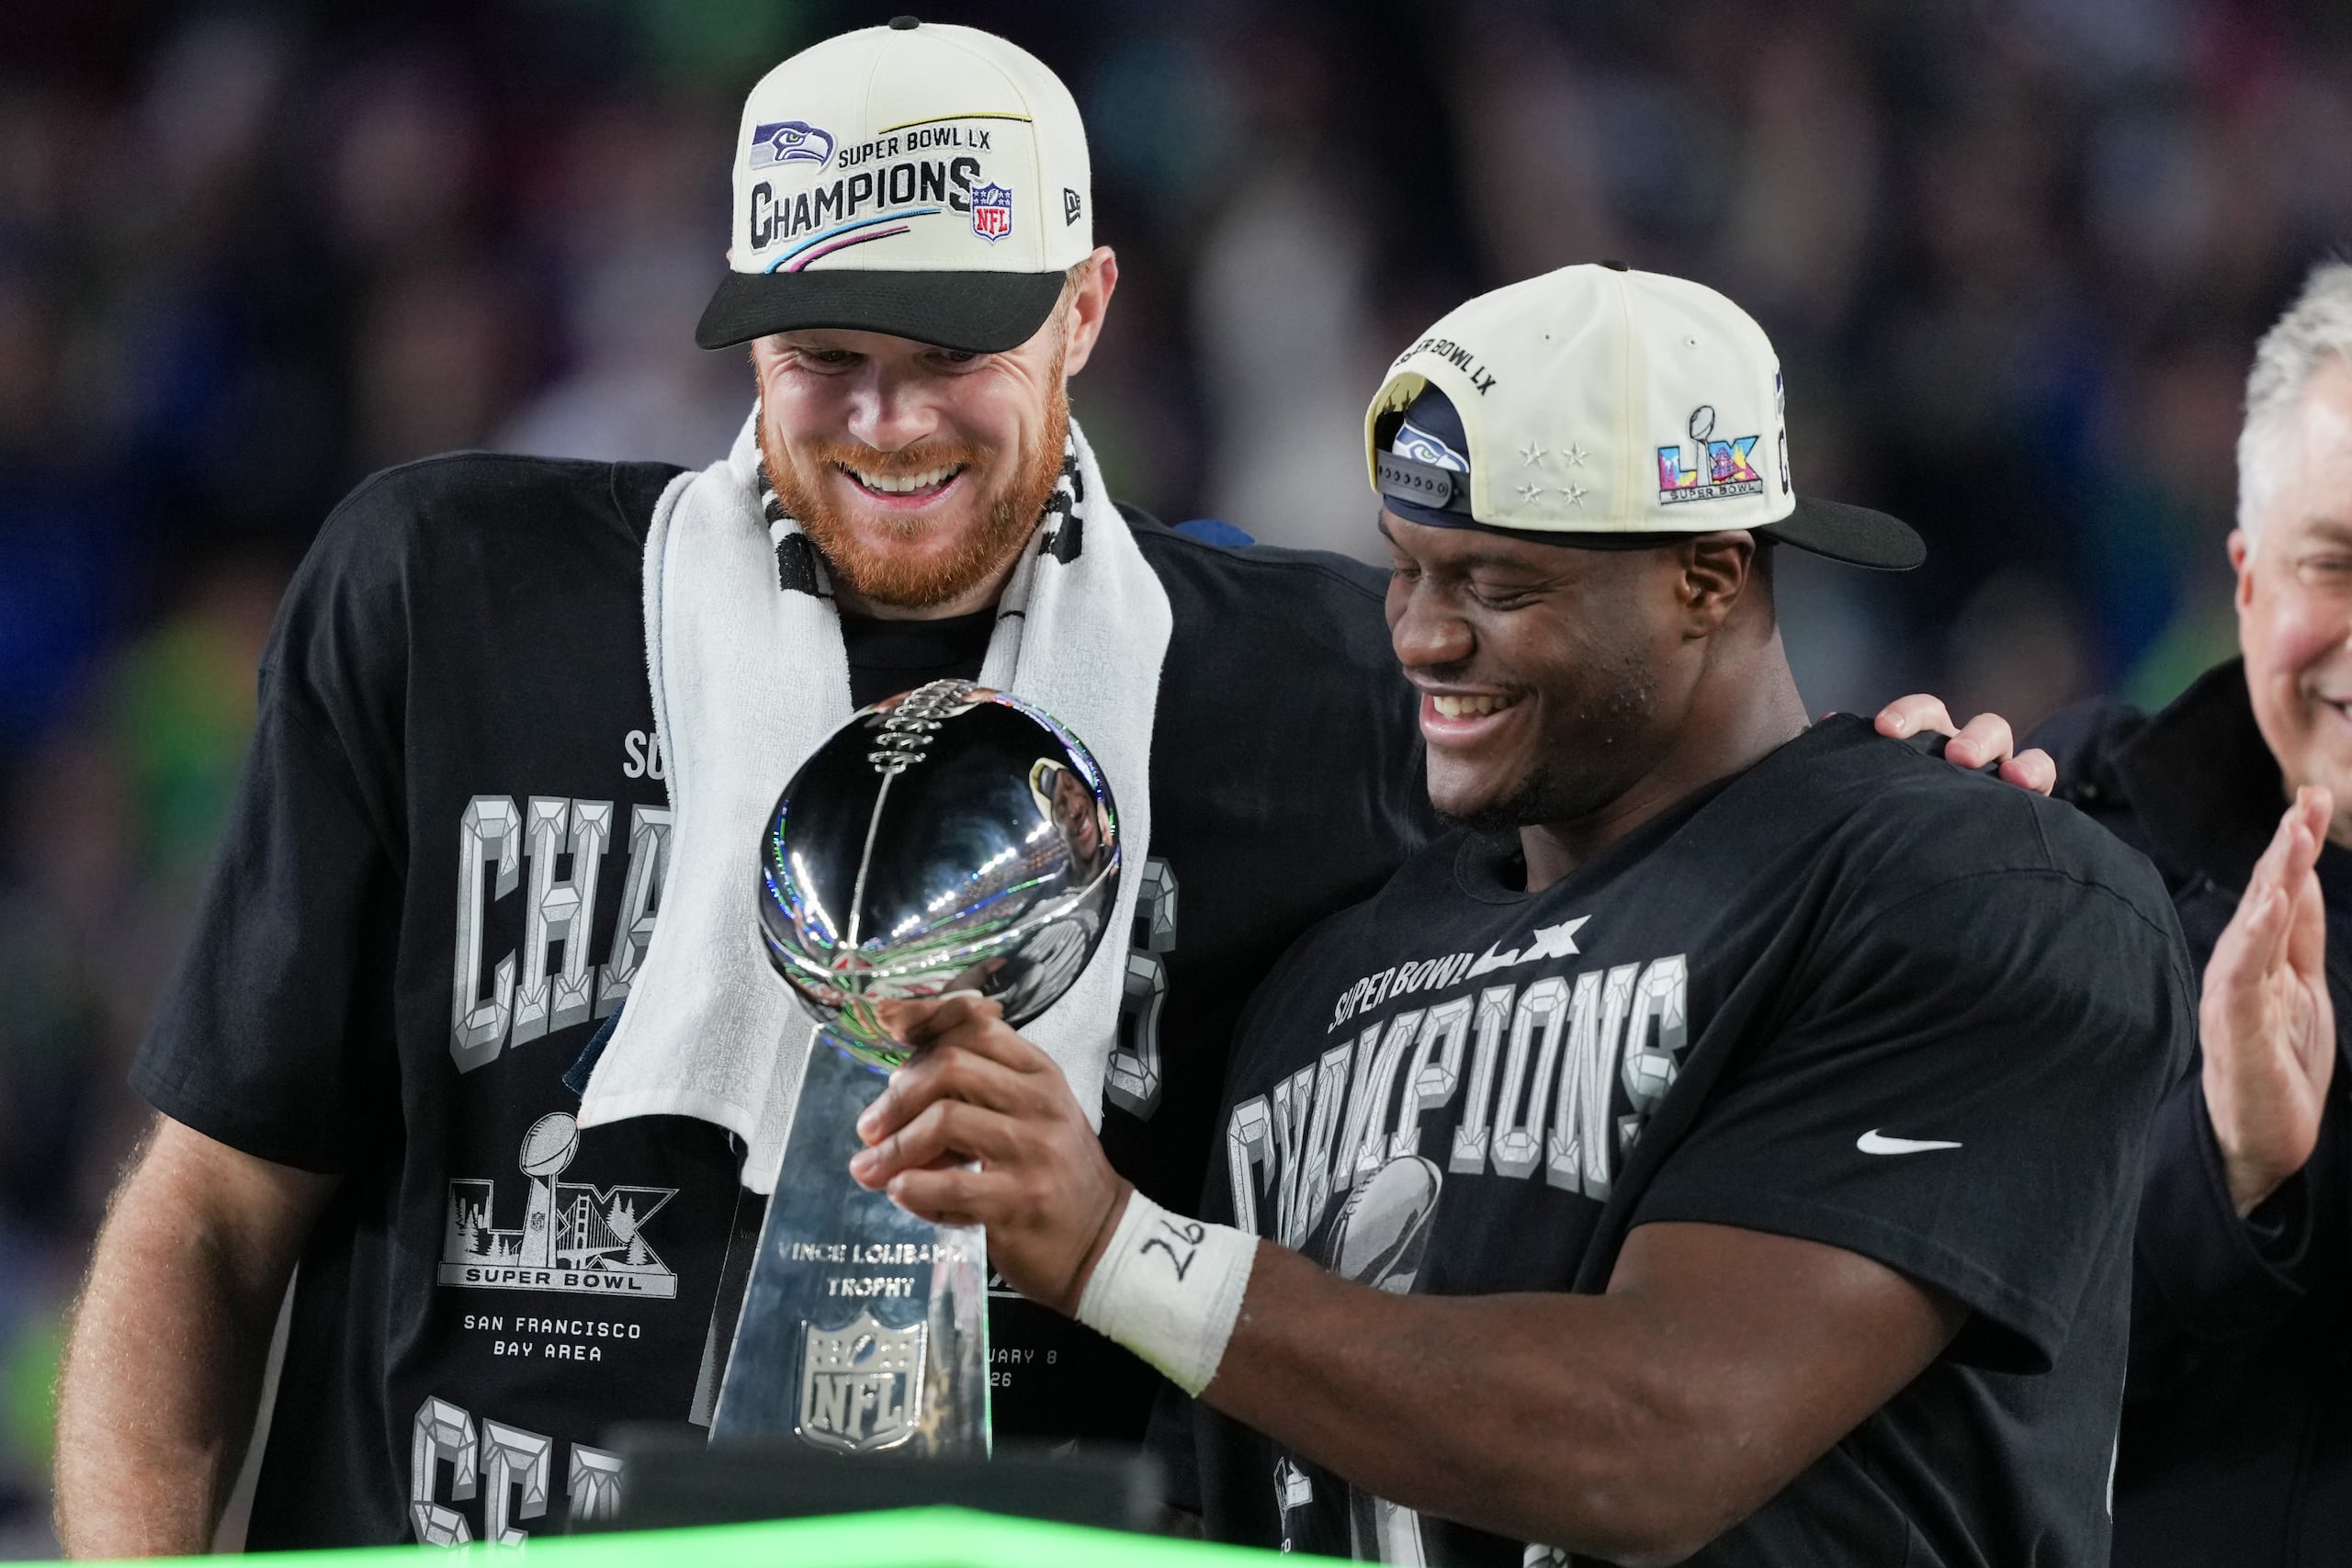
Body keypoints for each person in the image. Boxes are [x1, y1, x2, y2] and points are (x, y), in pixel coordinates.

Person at [51, 25, 2046, 1556]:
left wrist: (1864, 823)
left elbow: (1661, 904)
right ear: (736, 338)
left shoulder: (1317, 683)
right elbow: (210, 1211)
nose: (887, 418)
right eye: (821, 355)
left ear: (1083, 313)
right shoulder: (447, 594)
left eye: (954, 350)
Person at [847, 264, 2194, 1565]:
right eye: (1409, 569)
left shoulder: (1972, 892)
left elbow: (1662, 1439)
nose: (1424, 637)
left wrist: (1118, 1248)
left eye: (1497, 587)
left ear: (1707, 579)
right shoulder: (1326, 974)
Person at [2033, 259, 2352, 1568]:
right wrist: (2224, 1167)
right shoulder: (2073, 851)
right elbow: (1961, 1336)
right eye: (2333, 564)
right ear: (2246, 583)